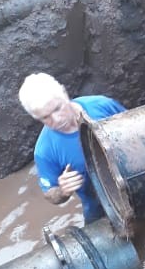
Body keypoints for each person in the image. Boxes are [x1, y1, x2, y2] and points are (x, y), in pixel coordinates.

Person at [18, 73, 125, 224]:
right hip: (101, 209)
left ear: (64, 92)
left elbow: (141, 131)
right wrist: (63, 190)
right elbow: (50, 194)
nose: (56, 119)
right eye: (45, 117)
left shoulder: (102, 105)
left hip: (137, 183)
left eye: (57, 109)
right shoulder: (44, 151)